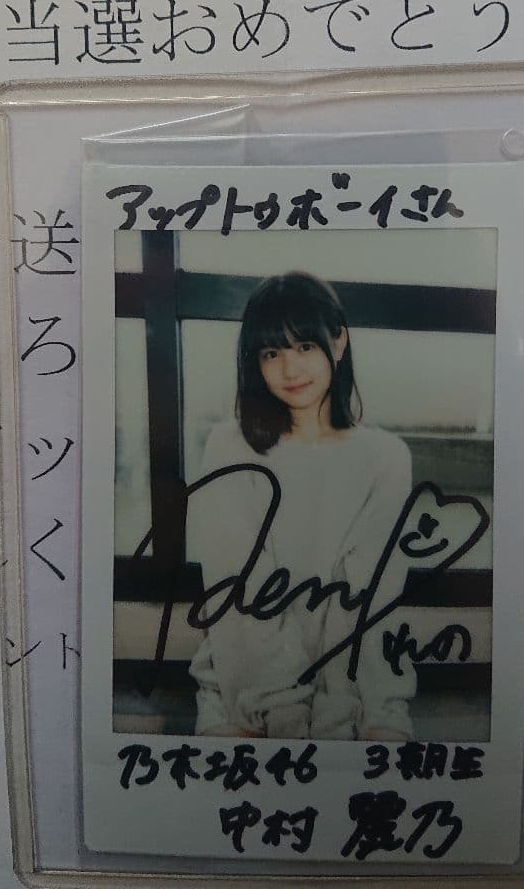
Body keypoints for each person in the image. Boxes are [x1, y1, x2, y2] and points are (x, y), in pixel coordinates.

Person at [186, 271, 415, 741]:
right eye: (272, 353)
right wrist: (284, 712)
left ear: (339, 342)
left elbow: (371, 600)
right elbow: (241, 596)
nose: (290, 370)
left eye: (305, 347)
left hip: (359, 686)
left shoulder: (386, 458)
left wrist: (356, 711)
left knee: (382, 753)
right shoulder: (229, 447)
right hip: (241, 682)